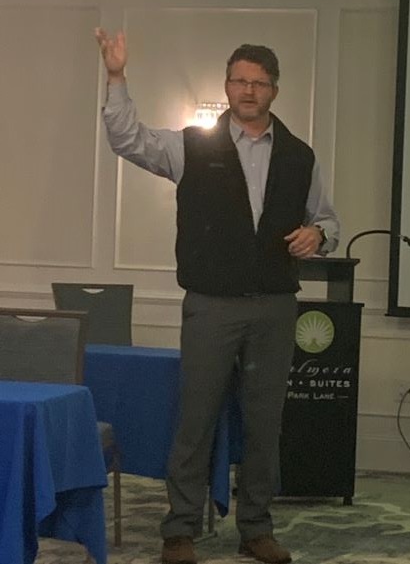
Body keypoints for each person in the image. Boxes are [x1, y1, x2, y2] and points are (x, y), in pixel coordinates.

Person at [95, 28, 339, 564]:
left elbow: (326, 219)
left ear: (275, 90)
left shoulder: (300, 156)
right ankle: (179, 530)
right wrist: (116, 76)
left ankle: (256, 528)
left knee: (264, 424)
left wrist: (318, 234)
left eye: (259, 83)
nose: (248, 90)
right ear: (227, 86)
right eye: (239, 81)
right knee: (196, 420)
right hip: (210, 305)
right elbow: (127, 138)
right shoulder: (191, 146)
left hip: (275, 307)